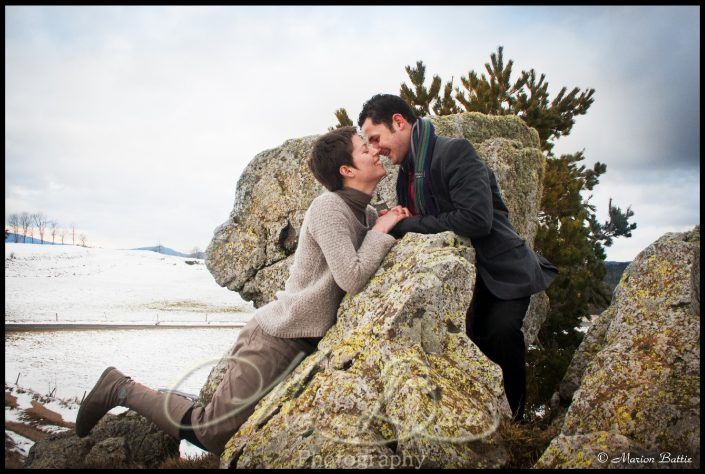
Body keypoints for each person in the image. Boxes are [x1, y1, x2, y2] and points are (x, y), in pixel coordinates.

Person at [75, 126, 410, 455]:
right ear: (347, 170)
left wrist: (381, 221)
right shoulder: (328, 208)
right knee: (212, 435)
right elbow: (352, 277)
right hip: (277, 338)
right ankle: (119, 388)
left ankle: (173, 400)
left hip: (302, 344)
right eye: (365, 148)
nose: (375, 150)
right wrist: (382, 230)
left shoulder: (362, 211)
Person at [358, 94, 558, 422]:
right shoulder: (407, 173)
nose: (376, 148)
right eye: (369, 143)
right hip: (468, 274)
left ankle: (520, 422)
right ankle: (495, 420)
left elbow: (476, 219)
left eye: (376, 138)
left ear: (399, 122)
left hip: (504, 269)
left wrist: (406, 224)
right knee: (473, 343)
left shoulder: (455, 152)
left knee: (500, 334)